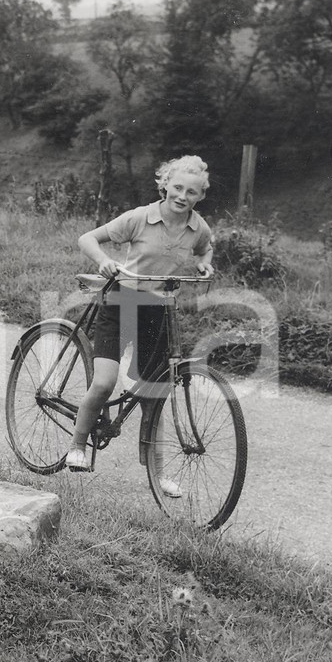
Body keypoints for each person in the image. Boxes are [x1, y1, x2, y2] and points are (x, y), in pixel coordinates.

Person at [65, 155, 215, 495]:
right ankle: (77, 445)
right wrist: (104, 261)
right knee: (103, 383)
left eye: (191, 192)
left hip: (159, 309)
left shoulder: (198, 227)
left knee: (155, 394)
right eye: (177, 187)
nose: (182, 196)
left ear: (200, 195)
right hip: (122, 301)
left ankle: (158, 473)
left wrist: (205, 265)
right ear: (164, 185)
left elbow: (206, 250)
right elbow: (88, 238)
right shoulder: (139, 218)